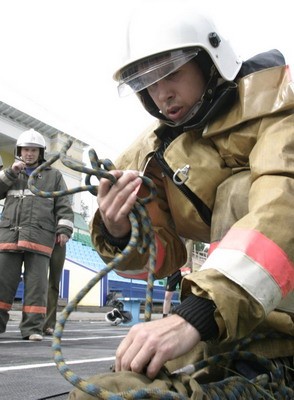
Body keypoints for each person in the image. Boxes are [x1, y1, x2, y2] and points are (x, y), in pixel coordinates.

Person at [70, 2, 294, 397]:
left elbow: (283, 208)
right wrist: (121, 229)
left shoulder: (281, 107)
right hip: (228, 312)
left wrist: (195, 315)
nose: (161, 95)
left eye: (170, 73)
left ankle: (274, 358)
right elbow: (162, 259)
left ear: (211, 61)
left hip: (262, 317)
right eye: (147, 84)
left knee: (239, 191)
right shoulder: (157, 148)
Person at [0, 128, 74, 341]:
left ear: (40, 152)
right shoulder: (12, 172)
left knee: (36, 286)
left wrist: (64, 229)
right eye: (25, 150)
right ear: (19, 151)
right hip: (8, 238)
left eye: (33, 150)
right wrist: (10, 173)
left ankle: (32, 329)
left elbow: (64, 205)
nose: (29, 154)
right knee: (2, 284)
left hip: (39, 239)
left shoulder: (54, 176)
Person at [162, 239, 193, 318]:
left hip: (185, 268)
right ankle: (165, 316)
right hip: (173, 269)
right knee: (167, 295)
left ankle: (185, 317)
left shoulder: (188, 237)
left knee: (185, 295)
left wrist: (188, 267)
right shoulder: (171, 235)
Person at [42, 240, 67, 336]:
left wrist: (64, 231)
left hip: (58, 241)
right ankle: (33, 322)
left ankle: (49, 324)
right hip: (40, 237)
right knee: (37, 282)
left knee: (54, 284)